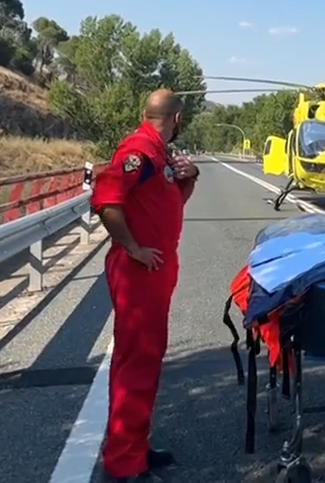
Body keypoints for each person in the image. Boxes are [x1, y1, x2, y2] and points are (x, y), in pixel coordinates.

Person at [90, 89, 200, 482]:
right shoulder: (137, 151)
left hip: (155, 270)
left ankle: (135, 445)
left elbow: (164, 203)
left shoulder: (158, 154)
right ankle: (123, 463)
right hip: (140, 273)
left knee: (147, 361)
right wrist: (133, 248)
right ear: (177, 120)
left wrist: (190, 178)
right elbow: (107, 201)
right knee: (136, 363)